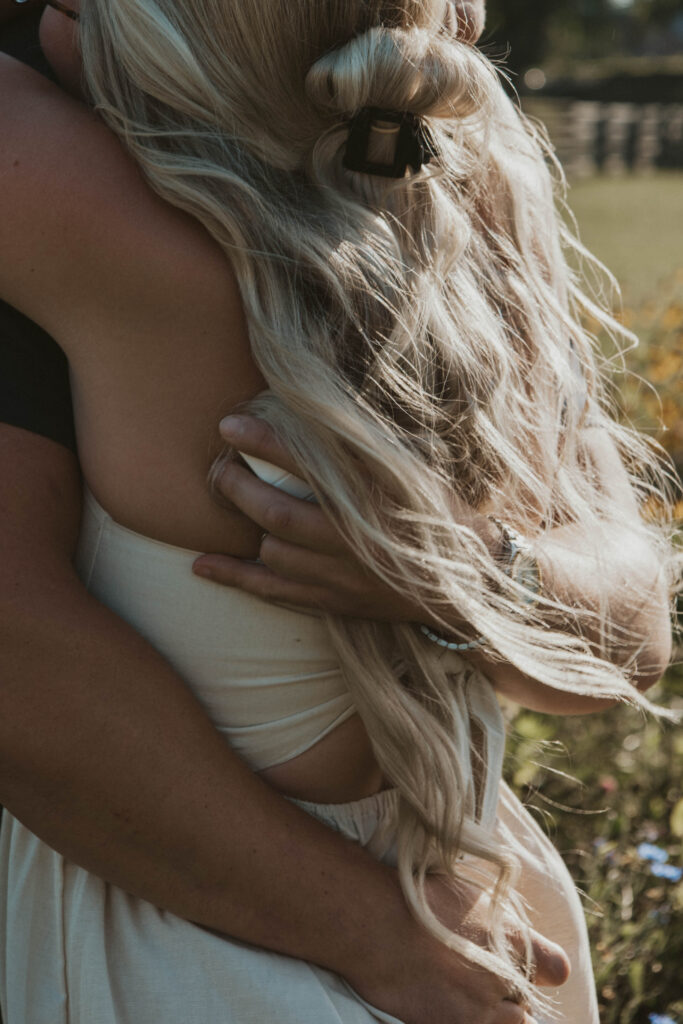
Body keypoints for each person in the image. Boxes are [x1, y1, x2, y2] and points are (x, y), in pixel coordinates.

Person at [0, 0, 676, 1022]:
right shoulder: (468, 210)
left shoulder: (115, 239)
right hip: (468, 917)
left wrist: (452, 574)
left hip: (206, 945)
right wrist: (479, 575)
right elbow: (633, 640)